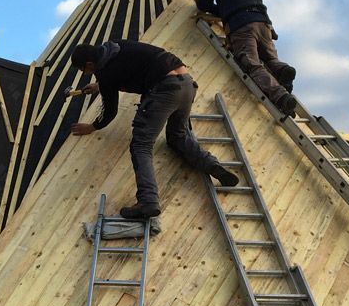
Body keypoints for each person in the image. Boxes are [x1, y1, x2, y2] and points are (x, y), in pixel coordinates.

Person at [69, 40, 239, 220]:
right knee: (177, 136)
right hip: (187, 83)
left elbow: (110, 111)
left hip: (164, 90)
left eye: (84, 70)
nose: (87, 73)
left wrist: (92, 127)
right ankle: (213, 165)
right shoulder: (118, 46)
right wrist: (99, 85)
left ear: (89, 64)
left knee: (141, 145)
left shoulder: (106, 74)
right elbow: (133, 64)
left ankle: (147, 201)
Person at [195, 0, 297, 116]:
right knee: (270, 59)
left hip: (241, 24)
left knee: (252, 65)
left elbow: (203, 3)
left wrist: (215, 9)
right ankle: (281, 69)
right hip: (264, 23)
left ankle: (281, 97)